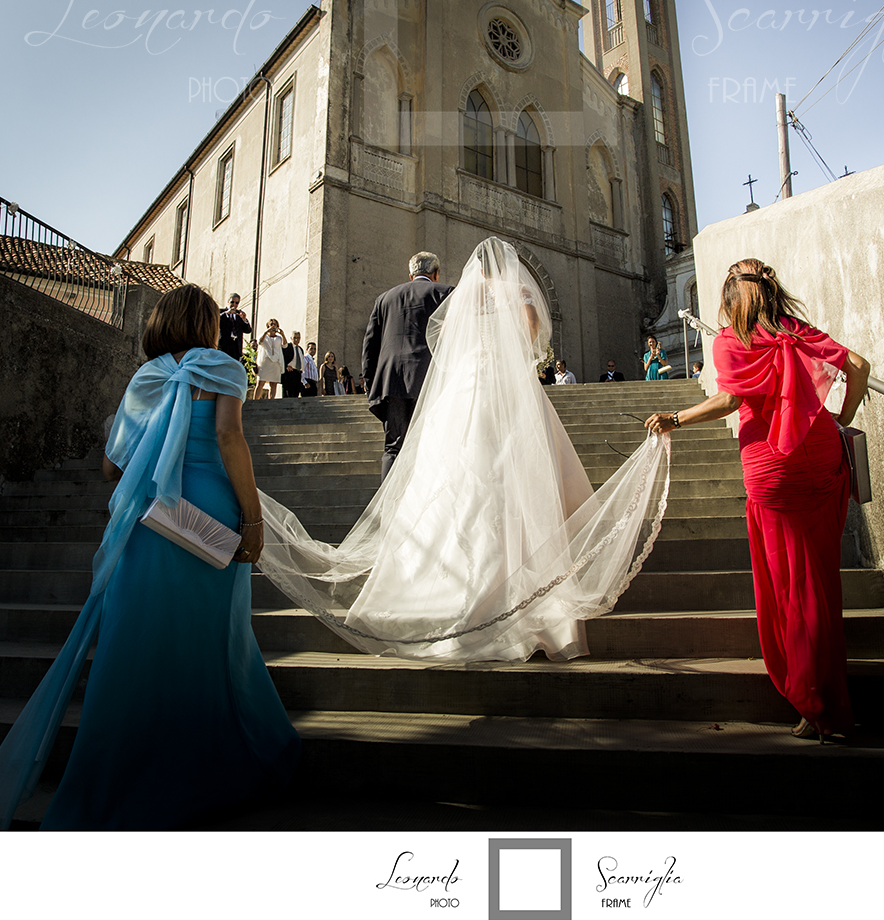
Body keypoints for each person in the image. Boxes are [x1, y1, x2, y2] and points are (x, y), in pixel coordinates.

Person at [0, 285, 301, 829]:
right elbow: (228, 437)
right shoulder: (222, 366)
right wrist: (254, 518)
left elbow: (110, 468)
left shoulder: (144, 379)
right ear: (208, 325)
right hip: (208, 516)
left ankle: (121, 778)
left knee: (137, 642)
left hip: (150, 521)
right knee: (214, 639)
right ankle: (215, 767)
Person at [255, 237, 671, 663]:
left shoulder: (461, 294)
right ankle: (516, 581)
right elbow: (532, 334)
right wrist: (521, 356)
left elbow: (433, 340)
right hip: (504, 382)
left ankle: (423, 562)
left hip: (460, 381)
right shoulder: (514, 291)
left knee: (445, 465)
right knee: (515, 467)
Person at [644, 259, 869, 741]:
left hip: (773, 465)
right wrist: (842, 421)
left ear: (729, 301)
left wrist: (676, 418)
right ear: (770, 293)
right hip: (823, 455)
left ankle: (816, 703)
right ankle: (826, 696)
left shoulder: (729, 340)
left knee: (790, 585)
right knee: (820, 581)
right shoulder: (795, 330)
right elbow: (858, 366)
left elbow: (728, 401)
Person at [360, 251, 454, 479]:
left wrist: (371, 384)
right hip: (430, 380)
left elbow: (370, 345)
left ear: (411, 275)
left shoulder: (385, 298)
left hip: (391, 382)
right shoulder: (446, 294)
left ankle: (388, 508)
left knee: (393, 447)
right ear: (436, 273)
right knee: (430, 444)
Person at [256, 319, 286, 399]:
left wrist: (282, 334)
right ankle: (255, 401)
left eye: (275, 324)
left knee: (273, 384)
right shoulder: (263, 336)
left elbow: (285, 345)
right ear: (268, 326)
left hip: (276, 362)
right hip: (265, 362)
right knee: (260, 382)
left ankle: (271, 401)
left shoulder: (279, 338)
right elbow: (259, 342)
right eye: (271, 324)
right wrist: (266, 332)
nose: (273, 326)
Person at [217, 293, 251, 363]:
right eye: (232, 302)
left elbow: (248, 330)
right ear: (228, 301)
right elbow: (215, 321)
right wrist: (226, 313)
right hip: (224, 345)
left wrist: (244, 320)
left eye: (236, 303)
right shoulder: (221, 312)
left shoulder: (239, 316)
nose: (234, 304)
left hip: (236, 346)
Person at [281, 331, 303, 398]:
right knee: (288, 393)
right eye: (294, 338)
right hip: (290, 372)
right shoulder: (288, 347)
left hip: (298, 373)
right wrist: (286, 366)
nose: (296, 339)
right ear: (291, 338)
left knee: (296, 393)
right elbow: (282, 358)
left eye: (298, 338)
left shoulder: (300, 349)